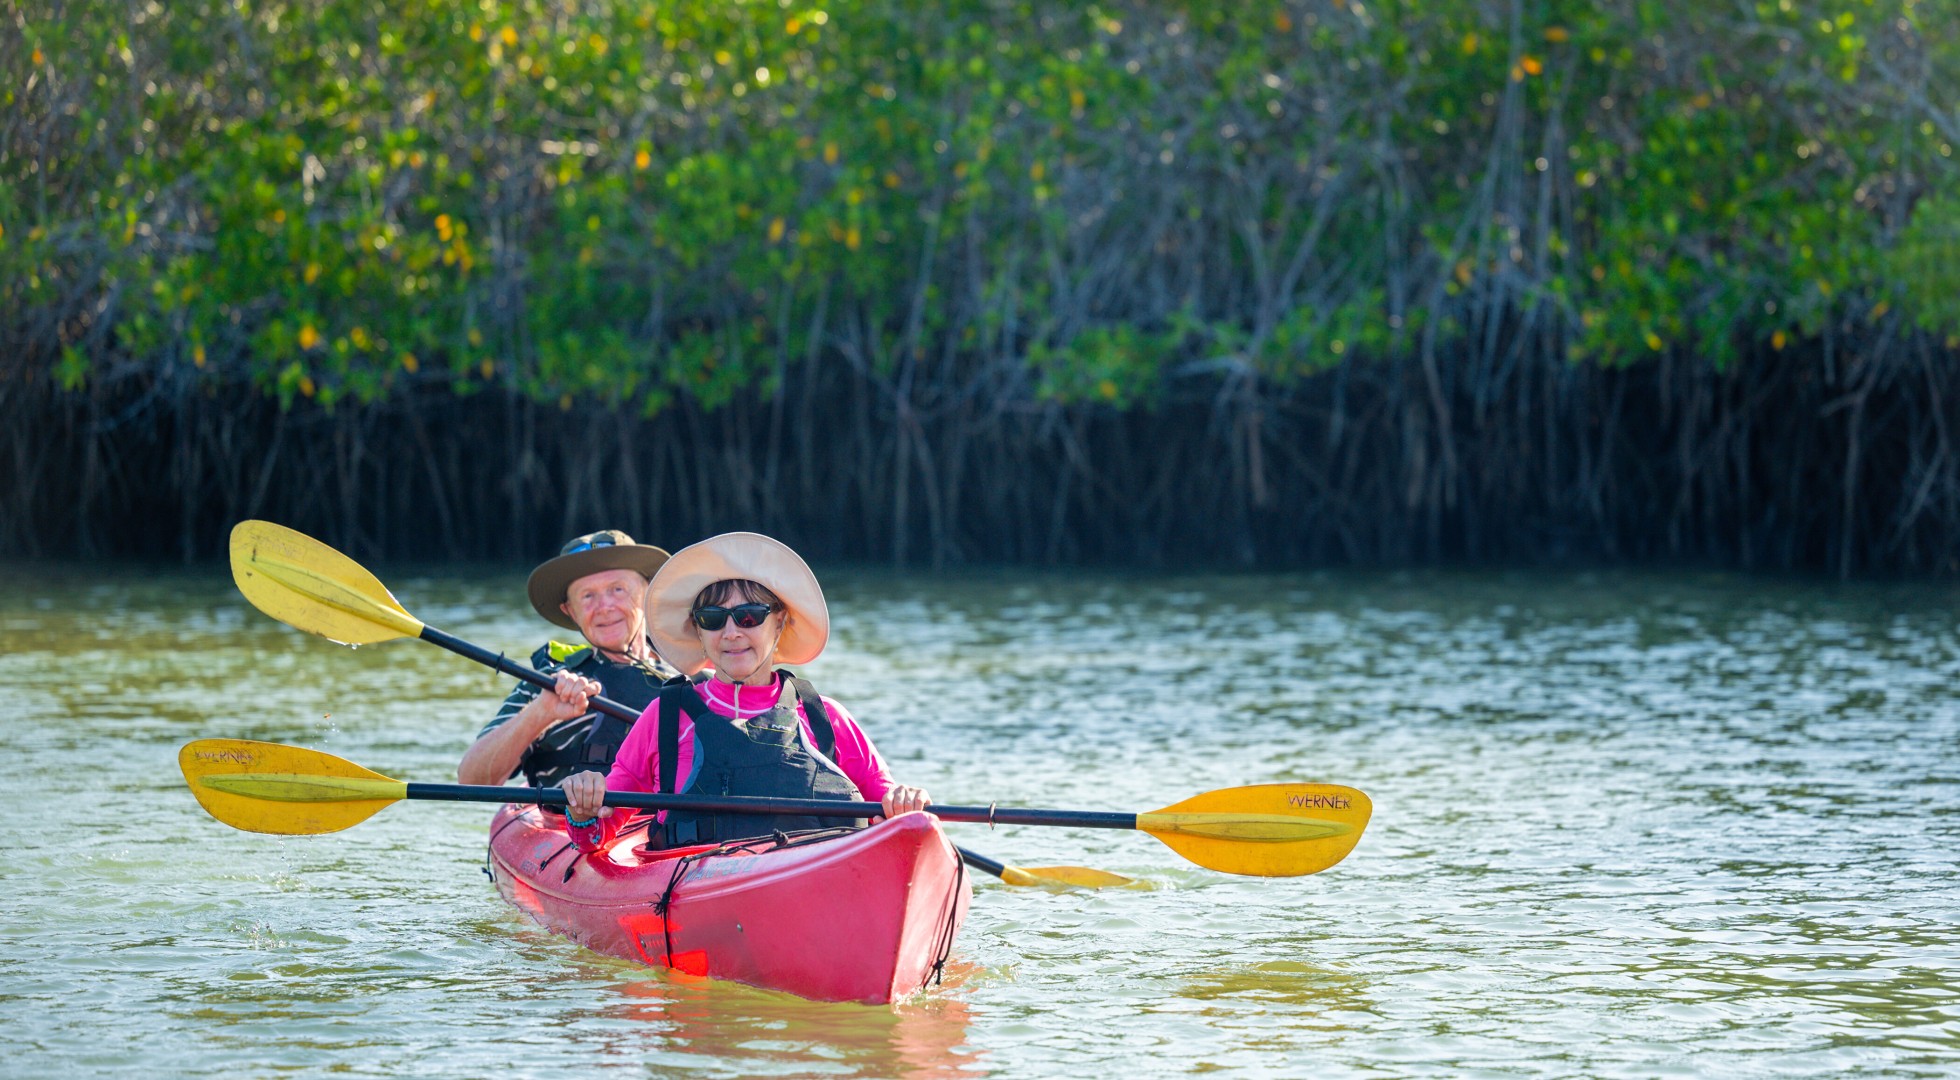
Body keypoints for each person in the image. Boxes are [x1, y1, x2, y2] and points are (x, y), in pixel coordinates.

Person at [560, 532, 929, 851]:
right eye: (713, 619)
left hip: (817, 884)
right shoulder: (666, 717)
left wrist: (904, 801)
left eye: (749, 616)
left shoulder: (825, 717)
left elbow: (892, 808)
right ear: (699, 632)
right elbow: (594, 837)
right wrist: (582, 811)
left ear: (779, 621)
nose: (732, 633)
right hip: (698, 893)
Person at [457, 530, 682, 800]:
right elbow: (472, 780)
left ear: (648, 594)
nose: (604, 606)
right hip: (572, 831)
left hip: (668, 831)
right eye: (587, 596)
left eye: (617, 589)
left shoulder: (691, 678)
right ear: (570, 610)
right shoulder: (547, 683)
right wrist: (541, 712)